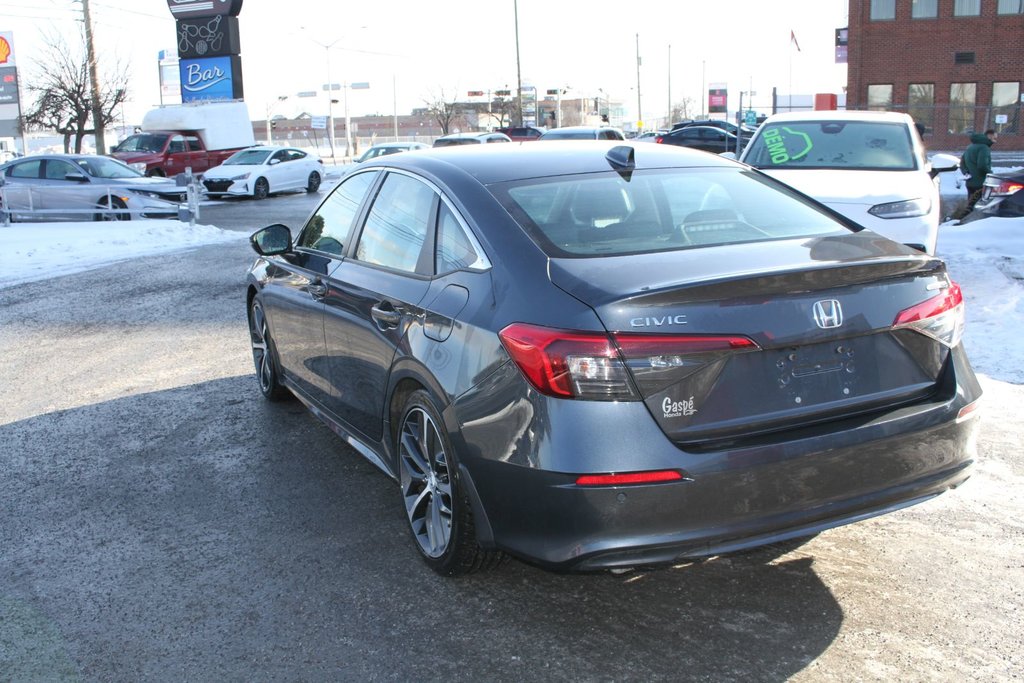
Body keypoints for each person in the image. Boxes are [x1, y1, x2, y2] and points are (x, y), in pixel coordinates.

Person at [961, 129, 996, 214]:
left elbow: (962, 163)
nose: (995, 140)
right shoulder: (984, 148)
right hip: (981, 182)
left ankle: (965, 221)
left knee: (970, 206)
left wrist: (966, 172)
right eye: (994, 138)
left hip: (970, 182)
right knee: (979, 209)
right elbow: (982, 165)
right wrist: (991, 174)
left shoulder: (970, 147)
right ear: (989, 137)